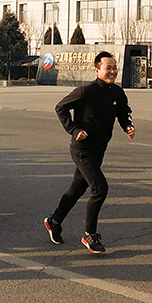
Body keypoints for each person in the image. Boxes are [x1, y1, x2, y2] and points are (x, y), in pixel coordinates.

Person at [44, 51, 134, 254]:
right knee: (100, 188)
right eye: (108, 68)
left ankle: (54, 221)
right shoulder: (85, 92)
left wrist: (128, 126)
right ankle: (89, 235)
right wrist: (74, 129)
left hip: (99, 149)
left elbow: (123, 113)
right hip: (82, 149)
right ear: (97, 70)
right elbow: (60, 108)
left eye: (114, 68)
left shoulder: (117, 93)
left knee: (77, 189)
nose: (112, 71)